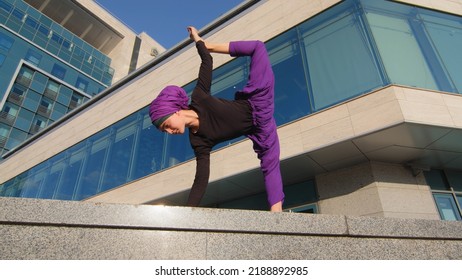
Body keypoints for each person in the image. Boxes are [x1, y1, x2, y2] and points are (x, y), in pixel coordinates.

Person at [149, 26, 284, 212]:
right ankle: (278, 215)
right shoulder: (198, 141)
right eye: (164, 130)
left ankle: (209, 43)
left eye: (166, 125)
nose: (168, 132)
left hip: (257, 103)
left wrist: (200, 42)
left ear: (176, 111)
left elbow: (207, 60)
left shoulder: (199, 97)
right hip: (260, 129)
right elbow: (201, 179)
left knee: (258, 47)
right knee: (270, 162)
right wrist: (188, 213)